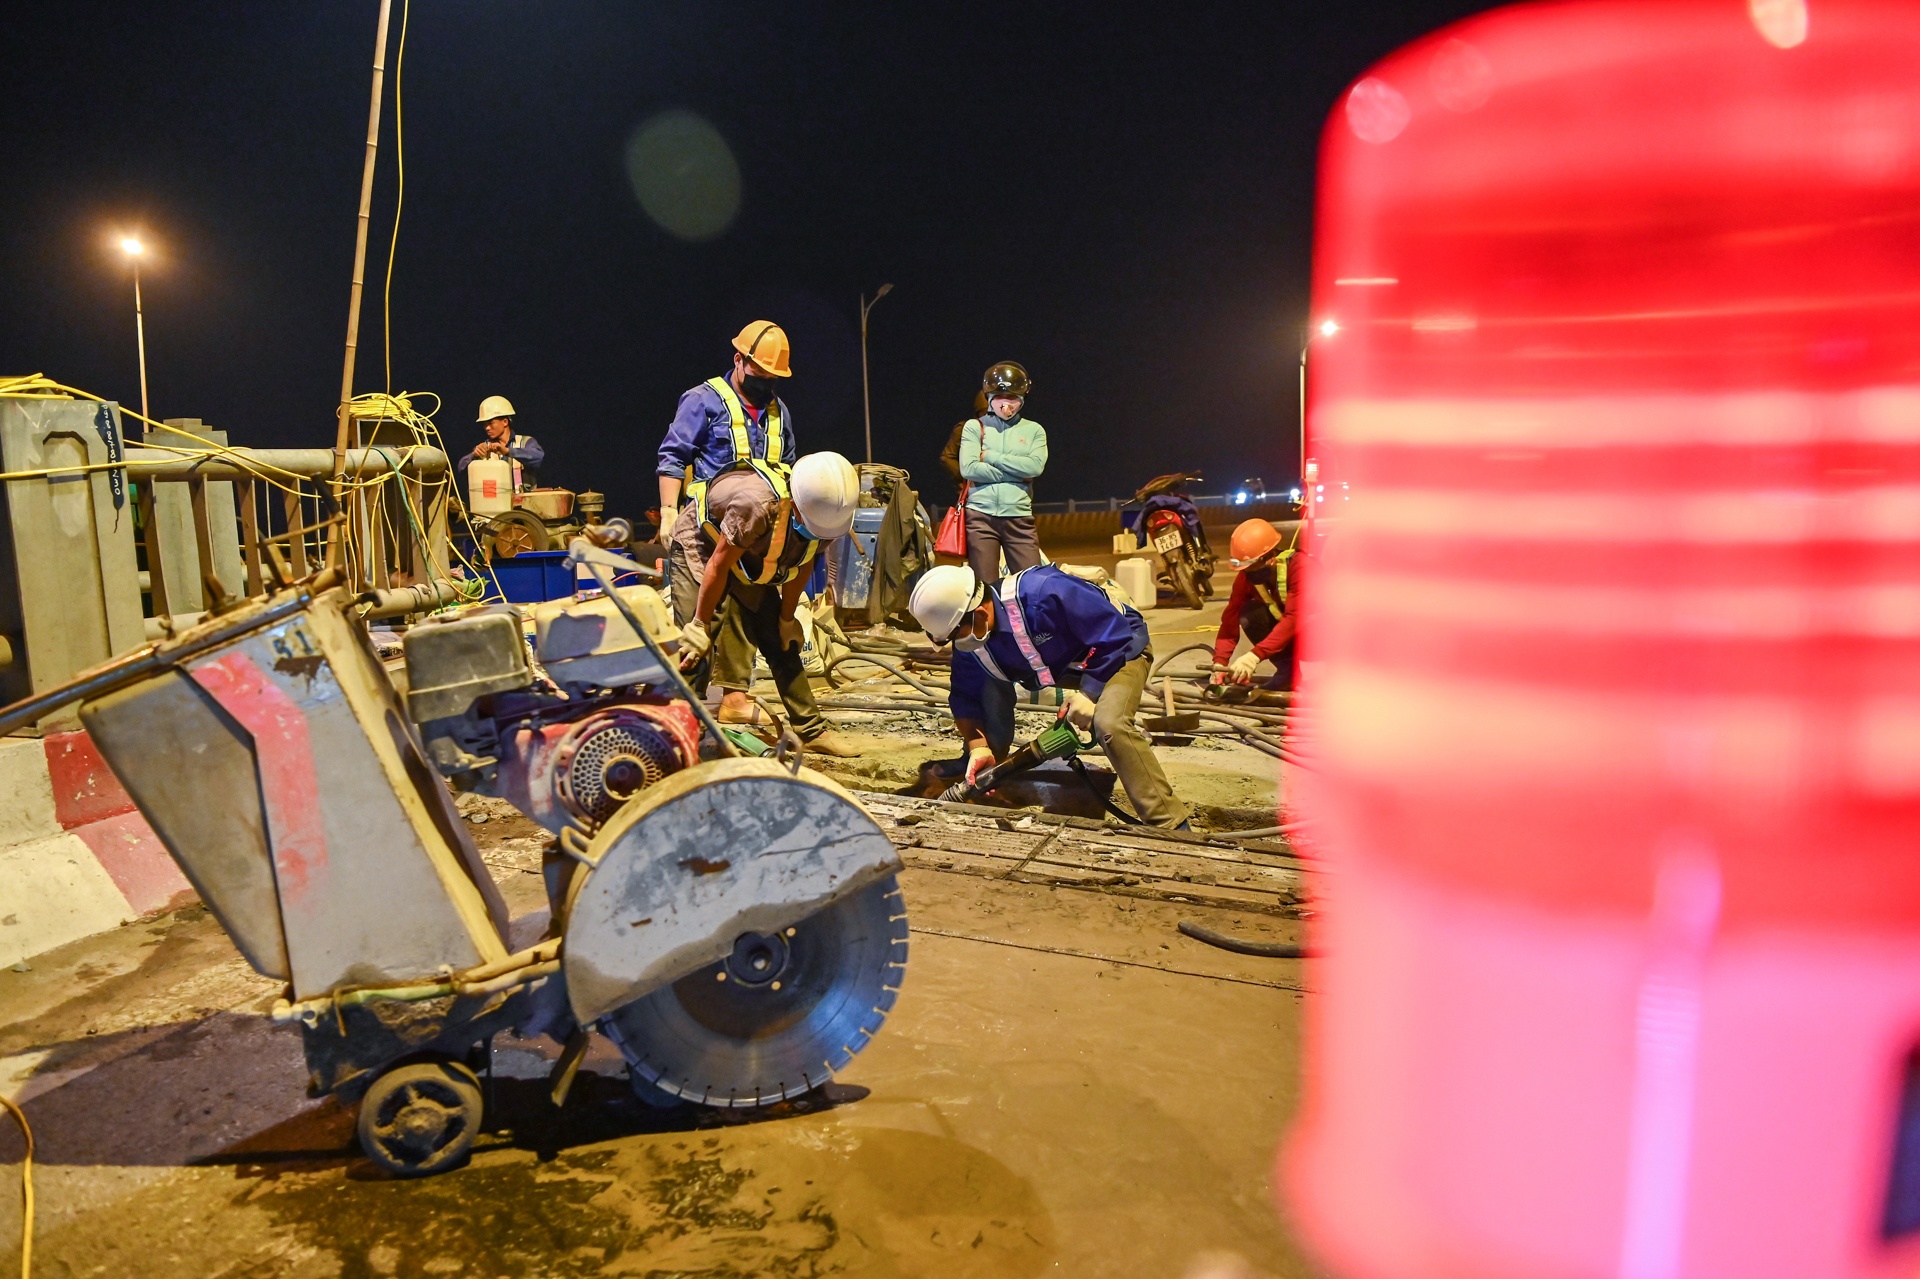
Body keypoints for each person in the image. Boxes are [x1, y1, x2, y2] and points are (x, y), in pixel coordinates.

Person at [908, 562, 1191, 828]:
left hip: (1118, 651)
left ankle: (1169, 822)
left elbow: (1113, 634)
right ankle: (985, 772)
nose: (954, 644)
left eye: (954, 636)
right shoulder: (972, 637)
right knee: (986, 687)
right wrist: (977, 744)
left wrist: (1089, 694)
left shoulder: (1045, 591)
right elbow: (965, 695)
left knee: (1110, 724)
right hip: (1062, 664)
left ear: (980, 615)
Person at [669, 451, 863, 756]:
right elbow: (719, 565)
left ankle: (810, 729)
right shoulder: (755, 504)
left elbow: (803, 564)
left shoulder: (829, 514)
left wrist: (786, 619)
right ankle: (685, 734)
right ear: (797, 505)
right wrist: (700, 623)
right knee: (695, 649)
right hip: (703, 545)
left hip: (747, 549)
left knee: (780, 637)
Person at [657, 322, 800, 718]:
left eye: (773, 378)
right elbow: (672, 457)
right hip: (704, 531)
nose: (765, 383)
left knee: (753, 616)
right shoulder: (703, 400)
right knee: (697, 632)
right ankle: (684, 724)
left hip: (752, 535)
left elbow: (785, 469)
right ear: (739, 360)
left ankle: (735, 700)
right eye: (759, 374)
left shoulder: (779, 412)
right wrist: (668, 511)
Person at [958, 362, 1047, 585]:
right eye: (999, 396)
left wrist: (989, 456)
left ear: (1023, 397)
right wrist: (1016, 474)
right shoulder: (973, 426)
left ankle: (1027, 622)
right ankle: (993, 622)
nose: (1006, 403)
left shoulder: (1034, 430)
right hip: (980, 518)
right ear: (989, 397)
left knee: (1032, 584)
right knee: (986, 589)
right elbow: (968, 468)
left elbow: (1034, 468)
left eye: (1012, 396)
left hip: (1019, 517)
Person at [1210, 518, 1297, 691]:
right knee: (1249, 614)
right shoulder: (1246, 577)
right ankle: (1289, 672)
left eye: (1250, 565)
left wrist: (1254, 656)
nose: (1246, 572)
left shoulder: (1300, 568)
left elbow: (1295, 618)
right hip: (1292, 635)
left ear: (1270, 557)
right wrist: (1220, 663)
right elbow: (1230, 619)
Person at [458, 395, 545, 489]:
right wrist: (473, 455)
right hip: (495, 501)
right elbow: (461, 469)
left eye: (491, 423)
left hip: (525, 502)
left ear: (505, 422)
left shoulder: (525, 442)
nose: (487, 428)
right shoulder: (485, 448)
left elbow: (538, 457)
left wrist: (508, 451)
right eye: (485, 424)